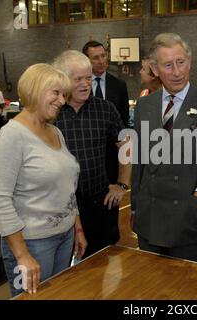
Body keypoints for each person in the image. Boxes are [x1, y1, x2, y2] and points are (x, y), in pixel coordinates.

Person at [0, 63, 87, 297]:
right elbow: (0, 200)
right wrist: (22, 254)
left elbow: (67, 186)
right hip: (32, 243)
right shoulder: (12, 136)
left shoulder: (55, 131)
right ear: (34, 90)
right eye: (56, 93)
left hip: (65, 238)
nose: (62, 101)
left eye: (64, 95)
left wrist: (78, 227)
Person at [131, 33, 197, 263]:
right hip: (149, 219)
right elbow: (140, 162)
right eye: (168, 65)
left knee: (187, 290)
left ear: (190, 62)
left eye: (181, 63)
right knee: (149, 286)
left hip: (188, 221)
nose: (176, 72)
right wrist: (135, 206)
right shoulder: (144, 105)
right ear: (154, 68)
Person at [53, 50, 131, 258]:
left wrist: (122, 184)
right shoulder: (51, 112)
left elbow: (126, 146)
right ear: (62, 80)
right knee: (64, 272)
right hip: (60, 206)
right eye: (77, 79)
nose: (85, 84)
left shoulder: (105, 109)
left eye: (88, 78)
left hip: (100, 203)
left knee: (101, 264)